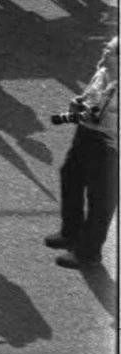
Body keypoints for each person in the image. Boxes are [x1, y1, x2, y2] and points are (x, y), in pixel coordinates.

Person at [49, 35, 117, 272]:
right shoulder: (103, 71)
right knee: (70, 178)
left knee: (101, 201)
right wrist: (79, 102)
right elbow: (91, 95)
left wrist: (97, 117)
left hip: (109, 145)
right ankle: (71, 233)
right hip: (86, 134)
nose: (104, 52)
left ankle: (88, 253)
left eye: (110, 51)